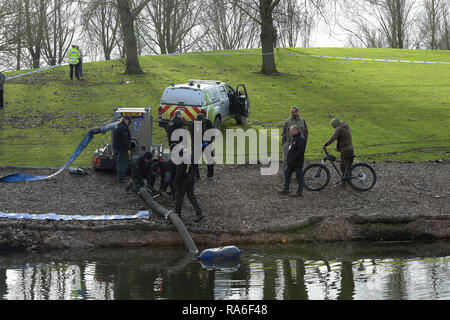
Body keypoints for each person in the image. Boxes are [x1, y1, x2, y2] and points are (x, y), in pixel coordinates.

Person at [323, 118, 354, 184]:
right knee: (348, 165)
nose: (333, 127)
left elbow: (333, 137)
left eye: (333, 126)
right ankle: (349, 181)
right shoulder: (346, 127)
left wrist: (326, 144)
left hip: (345, 150)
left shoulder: (339, 128)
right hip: (350, 148)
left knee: (343, 166)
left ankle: (344, 181)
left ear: (335, 124)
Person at [280, 125, 306, 197]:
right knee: (286, 173)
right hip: (291, 163)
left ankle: (299, 192)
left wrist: (292, 159)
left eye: (291, 131)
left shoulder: (301, 139)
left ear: (296, 130)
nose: (290, 132)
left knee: (299, 177)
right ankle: (285, 189)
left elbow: (300, 151)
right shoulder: (295, 138)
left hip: (297, 162)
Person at [281, 106, 308, 171]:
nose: (292, 113)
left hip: (298, 143)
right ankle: (285, 174)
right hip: (288, 142)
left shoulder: (302, 121)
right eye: (291, 112)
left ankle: (298, 174)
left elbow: (305, 133)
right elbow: (283, 132)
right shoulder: (287, 121)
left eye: (293, 112)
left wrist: (304, 143)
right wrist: (284, 143)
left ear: (297, 112)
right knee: (286, 159)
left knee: (298, 159)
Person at [192, 114, 214, 179]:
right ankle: (196, 174)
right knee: (194, 160)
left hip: (207, 142)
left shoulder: (208, 122)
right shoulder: (194, 123)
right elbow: (192, 134)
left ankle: (210, 175)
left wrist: (208, 142)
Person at [112, 116, 132, 183]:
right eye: (129, 121)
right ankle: (121, 178)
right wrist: (128, 147)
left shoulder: (117, 126)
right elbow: (124, 140)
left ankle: (120, 177)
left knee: (119, 162)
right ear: (126, 120)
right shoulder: (123, 128)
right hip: (122, 149)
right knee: (122, 163)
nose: (129, 123)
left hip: (117, 148)